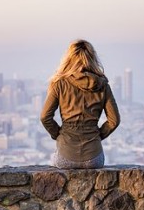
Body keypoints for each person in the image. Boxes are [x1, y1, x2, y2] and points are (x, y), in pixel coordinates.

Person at [40, 39, 121, 169]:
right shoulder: (103, 85)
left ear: (68, 59)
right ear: (92, 58)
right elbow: (114, 120)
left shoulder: (60, 84)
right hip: (94, 158)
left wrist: (58, 135)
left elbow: (45, 117)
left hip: (65, 155)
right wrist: (97, 136)